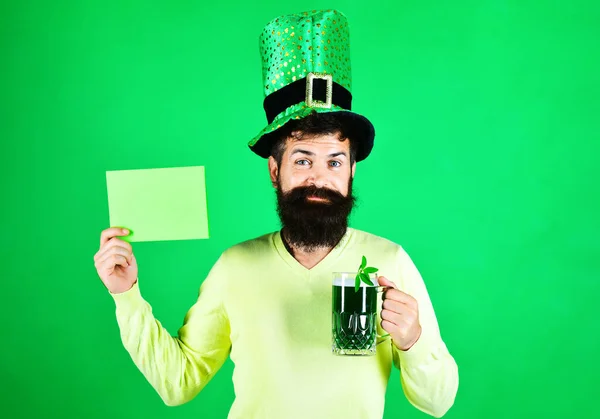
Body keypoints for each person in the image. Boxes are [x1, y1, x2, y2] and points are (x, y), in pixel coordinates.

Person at [93, 9, 458, 418]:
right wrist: (126, 296)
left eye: (335, 162)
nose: (319, 178)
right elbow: (178, 382)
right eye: (302, 160)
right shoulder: (236, 267)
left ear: (352, 170)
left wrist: (412, 340)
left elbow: (438, 402)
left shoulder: (390, 263)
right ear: (274, 170)